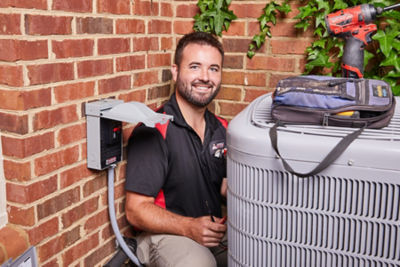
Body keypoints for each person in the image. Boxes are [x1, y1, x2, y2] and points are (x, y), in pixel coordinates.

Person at [125, 31, 228, 267]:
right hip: (162, 235)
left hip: (210, 231)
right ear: (175, 71)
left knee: (260, 247)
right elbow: (136, 210)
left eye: (213, 68)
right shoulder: (154, 129)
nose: (205, 77)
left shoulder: (221, 128)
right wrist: (189, 227)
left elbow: (225, 186)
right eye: (195, 67)